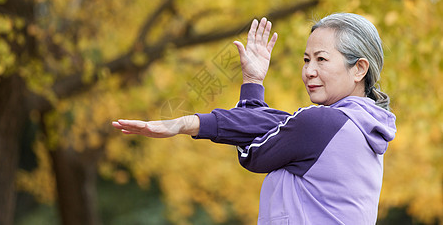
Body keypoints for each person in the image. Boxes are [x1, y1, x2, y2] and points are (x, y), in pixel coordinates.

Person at [112, 13, 397, 224]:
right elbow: (273, 126)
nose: (309, 70)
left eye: (321, 59)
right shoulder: (362, 128)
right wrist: (253, 81)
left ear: (359, 68)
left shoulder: (321, 125)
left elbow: (254, 151)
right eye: (306, 59)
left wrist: (186, 124)